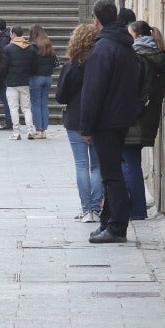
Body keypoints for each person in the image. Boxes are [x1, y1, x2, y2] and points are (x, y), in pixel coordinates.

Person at [79, 0, 145, 244]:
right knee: (111, 170)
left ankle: (117, 226)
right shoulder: (125, 46)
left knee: (111, 173)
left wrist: (86, 126)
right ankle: (107, 221)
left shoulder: (103, 49)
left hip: (106, 120)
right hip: (122, 117)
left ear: (96, 20)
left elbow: (92, 91)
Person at [124, 21, 165, 219]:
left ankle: (136, 209)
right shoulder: (155, 54)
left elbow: (135, 88)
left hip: (135, 116)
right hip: (147, 115)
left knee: (129, 160)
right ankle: (137, 208)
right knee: (132, 160)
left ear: (136, 35)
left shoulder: (139, 56)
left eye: (129, 34)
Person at [57, 22, 104, 222]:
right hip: (99, 119)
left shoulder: (70, 66)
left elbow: (61, 96)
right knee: (97, 166)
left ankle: (86, 210)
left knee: (81, 165)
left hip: (75, 119)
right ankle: (96, 207)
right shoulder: (100, 64)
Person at [1, 23, 36, 140]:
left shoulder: (8, 48)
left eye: (10, 33)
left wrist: (4, 76)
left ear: (13, 34)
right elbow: (32, 66)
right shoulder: (30, 48)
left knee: (13, 108)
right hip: (25, 81)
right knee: (26, 108)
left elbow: (4, 66)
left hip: (11, 82)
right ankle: (30, 130)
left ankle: (16, 132)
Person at [28, 25, 57, 139]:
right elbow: (56, 62)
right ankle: (44, 130)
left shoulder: (33, 47)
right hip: (47, 77)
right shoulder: (48, 45)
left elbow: (30, 63)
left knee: (35, 104)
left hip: (36, 77)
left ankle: (39, 130)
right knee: (44, 104)